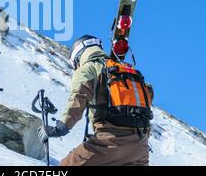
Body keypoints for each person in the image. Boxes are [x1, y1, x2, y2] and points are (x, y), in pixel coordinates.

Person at [42, 35, 154, 166]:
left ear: (78, 57)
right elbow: (148, 94)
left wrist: (62, 127)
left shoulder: (89, 68)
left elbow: (78, 97)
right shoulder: (124, 70)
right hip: (140, 146)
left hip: (110, 142)